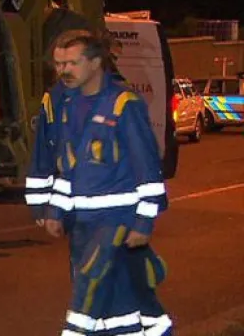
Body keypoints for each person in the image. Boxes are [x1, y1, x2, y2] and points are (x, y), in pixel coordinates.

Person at [40, 29, 172, 336]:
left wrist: (143, 222)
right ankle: (155, 329)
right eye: (59, 64)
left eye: (72, 63)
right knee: (122, 292)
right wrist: (56, 212)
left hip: (117, 219)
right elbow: (67, 167)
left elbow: (148, 168)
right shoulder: (68, 106)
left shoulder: (124, 105)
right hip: (82, 222)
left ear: (96, 62)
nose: (64, 71)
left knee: (90, 281)